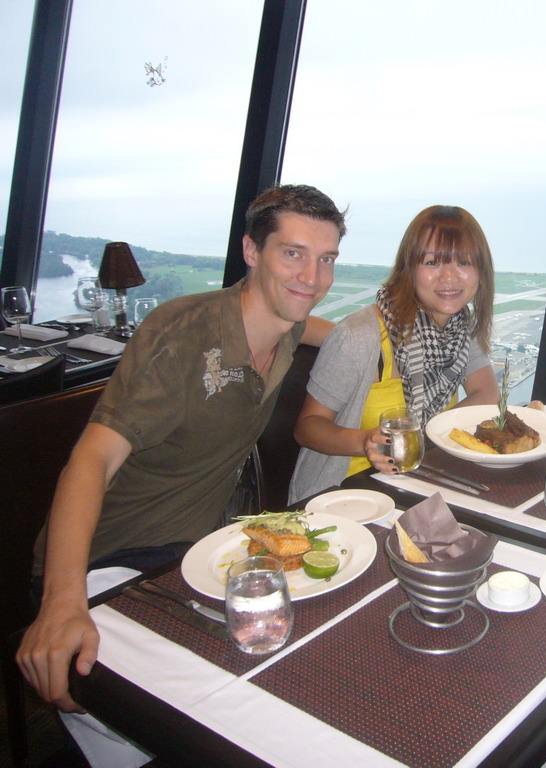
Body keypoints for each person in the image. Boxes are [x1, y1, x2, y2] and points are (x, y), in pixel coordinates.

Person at [18, 184, 347, 716]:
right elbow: (91, 459)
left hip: (191, 558)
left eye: (325, 259)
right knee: (193, 716)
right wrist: (62, 601)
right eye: (293, 254)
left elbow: (338, 335)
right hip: (107, 564)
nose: (312, 278)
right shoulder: (182, 334)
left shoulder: (288, 324)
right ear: (251, 251)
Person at [288, 204, 498, 502]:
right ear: (409, 269)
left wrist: (430, 434)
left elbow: (487, 392)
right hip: (343, 493)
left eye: (463, 263)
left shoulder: (459, 330)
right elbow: (308, 428)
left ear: (481, 272)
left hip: (419, 481)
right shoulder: (360, 336)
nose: (449, 277)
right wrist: (365, 442)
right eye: (432, 263)